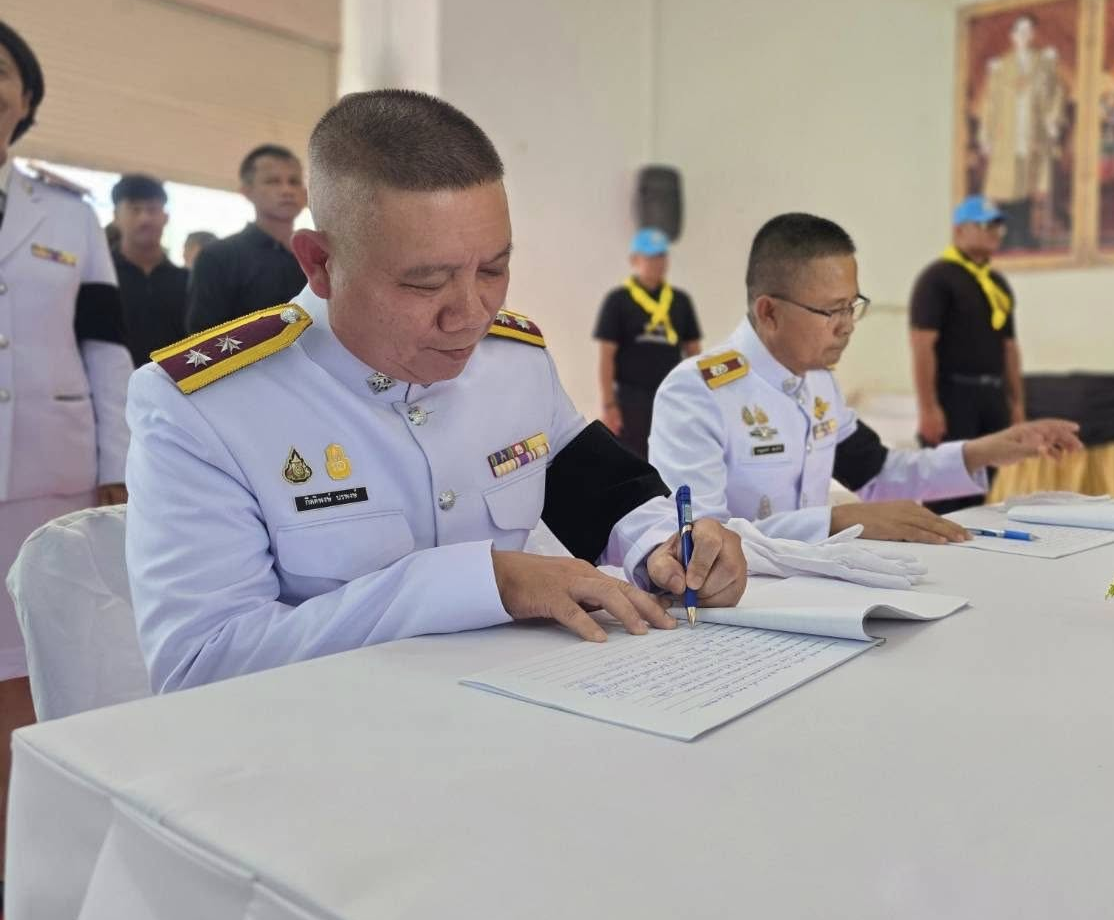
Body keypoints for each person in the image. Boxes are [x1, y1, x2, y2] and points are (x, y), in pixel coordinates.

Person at [126, 90, 746, 694]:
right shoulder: (205, 408)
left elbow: (601, 490)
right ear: (320, 263)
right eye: (426, 283)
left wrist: (667, 545)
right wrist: (484, 584)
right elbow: (200, 665)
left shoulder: (515, 363)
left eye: (494, 269)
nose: (471, 315)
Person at [647, 213, 1079, 544]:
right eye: (832, 310)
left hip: (816, 589)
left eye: (852, 306)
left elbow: (878, 473)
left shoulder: (816, 382)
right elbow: (694, 540)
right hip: (735, 612)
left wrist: (984, 451)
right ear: (769, 312)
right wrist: (834, 522)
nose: (848, 325)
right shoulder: (699, 392)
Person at [0, 20, 131, 867]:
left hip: (49, 467)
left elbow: (106, 345)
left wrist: (117, 462)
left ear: (28, 97)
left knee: (33, 658)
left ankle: (29, 850)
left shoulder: (70, 215)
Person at [909, 196, 1025, 515]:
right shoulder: (937, 279)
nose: (995, 232)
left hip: (991, 397)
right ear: (960, 230)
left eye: (998, 226)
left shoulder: (996, 283)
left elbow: (1009, 348)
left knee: (981, 490)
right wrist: (928, 408)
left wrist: (1016, 404)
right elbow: (922, 345)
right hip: (953, 397)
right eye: (986, 225)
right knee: (946, 492)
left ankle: (971, 542)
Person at [593, 227, 702, 459]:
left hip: (674, 397)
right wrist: (609, 405)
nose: (657, 262)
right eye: (650, 256)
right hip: (631, 401)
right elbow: (606, 357)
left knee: (673, 458)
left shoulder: (680, 301)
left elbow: (694, 354)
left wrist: (698, 397)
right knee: (634, 462)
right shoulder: (618, 300)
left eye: (662, 256)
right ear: (635, 260)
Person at [185, 144, 307, 331]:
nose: (287, 190)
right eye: (273, 181)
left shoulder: (317, 256)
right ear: (247, 191)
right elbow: (204, 335)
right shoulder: (218, 257)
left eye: (294, 181)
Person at [973, 13, 1064, 251]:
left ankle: (1024, 233)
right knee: (1007, 183)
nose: (1024, 35)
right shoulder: (1001, 66)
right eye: (1020, 31)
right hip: (1007, 132)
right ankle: (1007, 234)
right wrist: (986, 135)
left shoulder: (1043, 62)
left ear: (1033, 34)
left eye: (1028, 31)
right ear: (1012, 36)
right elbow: (991, 103)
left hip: (1033, 131)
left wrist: (1053, 119)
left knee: (1027, 182)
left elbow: (1056, 92)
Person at [110, 174, 188, 367]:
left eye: (152, 209)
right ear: (116, 217)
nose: (145, 219)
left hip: (172, 383)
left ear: (165, 217)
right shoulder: (101, 277)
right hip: (110, 383)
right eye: (135, 209)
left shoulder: (188, 281)